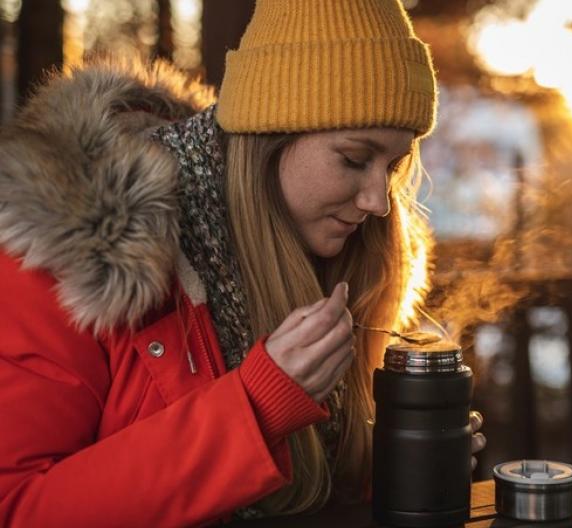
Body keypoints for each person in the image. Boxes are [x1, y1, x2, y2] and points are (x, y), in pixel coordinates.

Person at [0, 0, 484, 525]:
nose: (378, 200)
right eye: (353, 159)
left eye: (392, 167)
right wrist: (253, 409)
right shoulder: (71, 250)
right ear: (268, 136)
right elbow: (19, 507)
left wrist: (397, 463)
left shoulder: (340, 255)